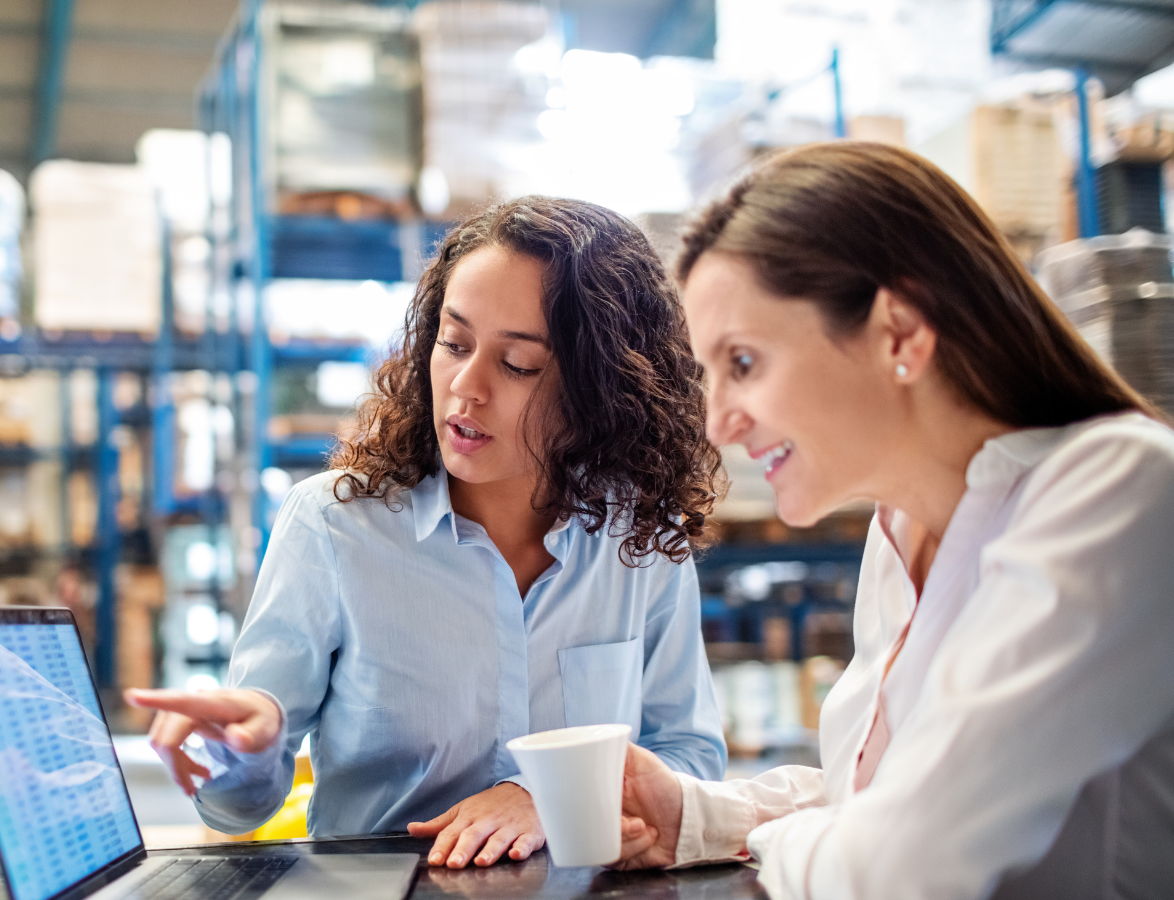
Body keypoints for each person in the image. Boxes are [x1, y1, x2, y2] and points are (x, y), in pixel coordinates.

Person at [609, 141, 1174, 900]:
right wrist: (697, 811)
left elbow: (899, 863)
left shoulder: (1116, 488)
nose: (716, 424)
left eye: (742, 363)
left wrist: (779, 837)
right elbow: (894, 791)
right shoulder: (900, 529)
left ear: (900, 331)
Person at [126, 196, 726, 868]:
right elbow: (237, 810)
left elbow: (691, 756)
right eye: (454, 342)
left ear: (601, 388)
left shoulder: (639, 537)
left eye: (518, 364)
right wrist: (248, 749)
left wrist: (541, 795)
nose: (466, 387)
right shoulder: (333, 526)